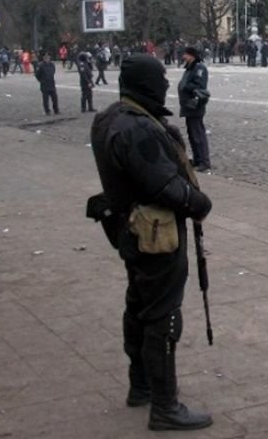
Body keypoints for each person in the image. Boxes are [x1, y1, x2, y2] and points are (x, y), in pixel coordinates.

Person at [91, 55, 213, 431]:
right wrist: (197, 203)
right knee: (162, 314)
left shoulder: (111, 117)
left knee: (140, 305)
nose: (164, 84)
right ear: (146, 83)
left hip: (132, 230)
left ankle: (141, 384)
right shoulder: (135, 127)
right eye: (159, 78)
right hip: (154, 233)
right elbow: (161, 183)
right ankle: (164, 404)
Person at [177, 46, 211, 173]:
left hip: (195, 105)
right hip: (188, 106)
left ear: (191, 55)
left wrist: (186, 87)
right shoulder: (190, 67)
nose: (183, 56)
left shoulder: (199, 68)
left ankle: (204, 161)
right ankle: (197, 159)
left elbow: (199, 85)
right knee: (192, 134)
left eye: (185, 54)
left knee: (198, 134)